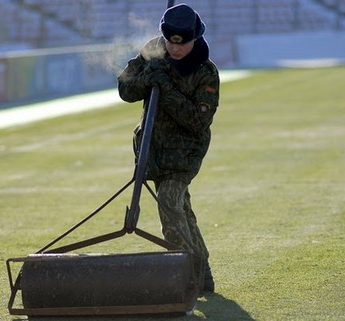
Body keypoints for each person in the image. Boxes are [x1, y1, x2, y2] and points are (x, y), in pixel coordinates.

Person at [117, 3, 219, 292]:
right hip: (153, 148)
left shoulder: (206, 73)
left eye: (183, 44)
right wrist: (147, 78)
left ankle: (183, 272)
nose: (175, 50)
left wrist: (168, 87)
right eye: (171, 43)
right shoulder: (153, 50)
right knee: (181, 208)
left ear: (194, 38)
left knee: (169, 201)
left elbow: (197, 121)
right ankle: (202, 273)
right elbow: (125, 89)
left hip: (185, 153)